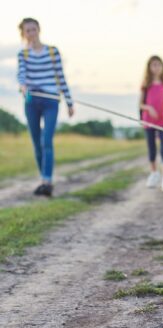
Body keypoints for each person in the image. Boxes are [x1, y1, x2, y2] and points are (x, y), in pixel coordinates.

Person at [17, 17, 75, 197]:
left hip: (51, 100)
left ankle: (47, 181)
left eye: (33, 29)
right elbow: (21, 76)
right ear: (23, 34)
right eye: (28, 30)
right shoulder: (23, 55)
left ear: (39, 30)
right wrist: (23, 86)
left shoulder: (52, 52)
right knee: (36, 142)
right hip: (31, 101)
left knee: (46, 141)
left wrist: (69, 101)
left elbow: (61, 76)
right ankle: (43, 178)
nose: (31, 33)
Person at [139, 55, 163, 193]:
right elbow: (141, 104)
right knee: (152, 149)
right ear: (149, 67)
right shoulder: (146, 84)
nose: (156, 67)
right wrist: (149, 108)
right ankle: (154, 173)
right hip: (149, 121)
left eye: (159, 65)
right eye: (154, 65)